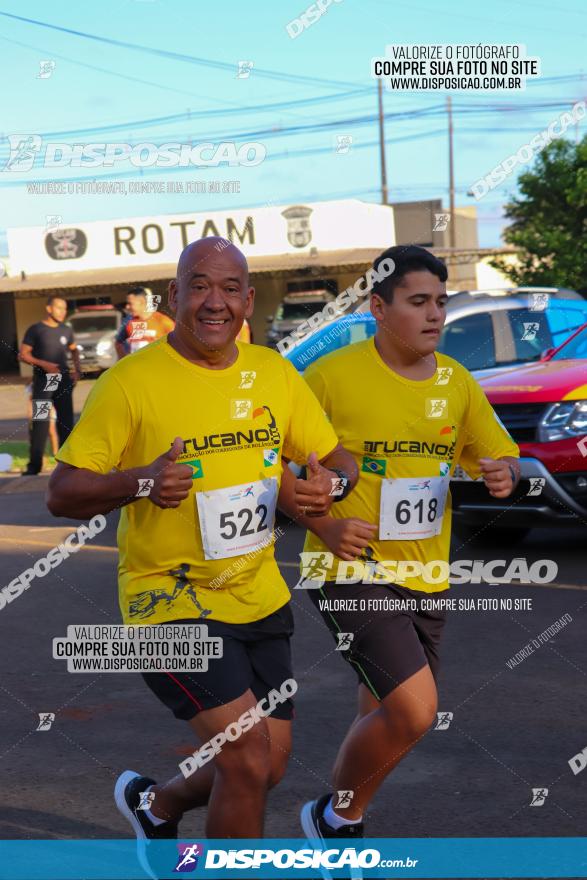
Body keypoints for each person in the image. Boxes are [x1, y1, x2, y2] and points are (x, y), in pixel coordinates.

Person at [46, 238, 357, 864]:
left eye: (229, 289)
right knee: (244, 757)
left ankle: (157, 806)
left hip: (259, 596)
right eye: (200, 285)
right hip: (167, 601)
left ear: (247, 299)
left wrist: (333, 485)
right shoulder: (130, 383)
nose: (215, 302)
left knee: (266, 767)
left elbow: (334, 459)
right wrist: (140, 481)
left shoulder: (271, 372)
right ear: (176, 296)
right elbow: (62, 492)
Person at [278, 244, 520, 841]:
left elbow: (497, 451)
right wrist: (322, 520)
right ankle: (336, 817)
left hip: (426, 574)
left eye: (440, 301)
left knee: (386, 715)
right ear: (379, 309)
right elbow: (273, 461)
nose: (435, 314)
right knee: (416, 711)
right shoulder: (332, 378)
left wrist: (502, 473)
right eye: (418, 302)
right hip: (348, 570)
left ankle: (341, 818)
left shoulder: (456, 382)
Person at [19, 295, 80, 476]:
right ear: (49, 309)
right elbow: (23, 355)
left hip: (63, 381)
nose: (63, 312)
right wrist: (45, 365)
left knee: (66, 422)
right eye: (59, 308)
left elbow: (74, 349)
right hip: (44, 382)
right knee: (41, 423)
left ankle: (67, 466)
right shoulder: (36, 329)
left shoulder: (66, 330)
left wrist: (77, 369)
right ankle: (34, 466)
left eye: (65, 308)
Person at [115, 286, 175, 358]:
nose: (127, 307)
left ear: (142, 302)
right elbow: (118, 343)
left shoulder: (163, 321)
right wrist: (124, 361)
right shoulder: (129, 322)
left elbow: (178, 345)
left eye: (130, 303)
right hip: (137, 366)